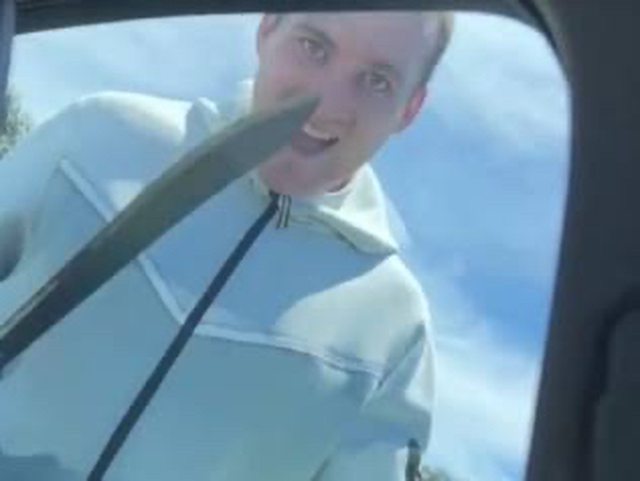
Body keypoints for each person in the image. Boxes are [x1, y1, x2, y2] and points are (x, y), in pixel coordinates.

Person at [0, 11, 453, 481]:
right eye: (313, 46)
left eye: (377, 81)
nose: (327, 104)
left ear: (409, 109)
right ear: (268, 28)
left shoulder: (394, 326)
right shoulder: (101, 137)